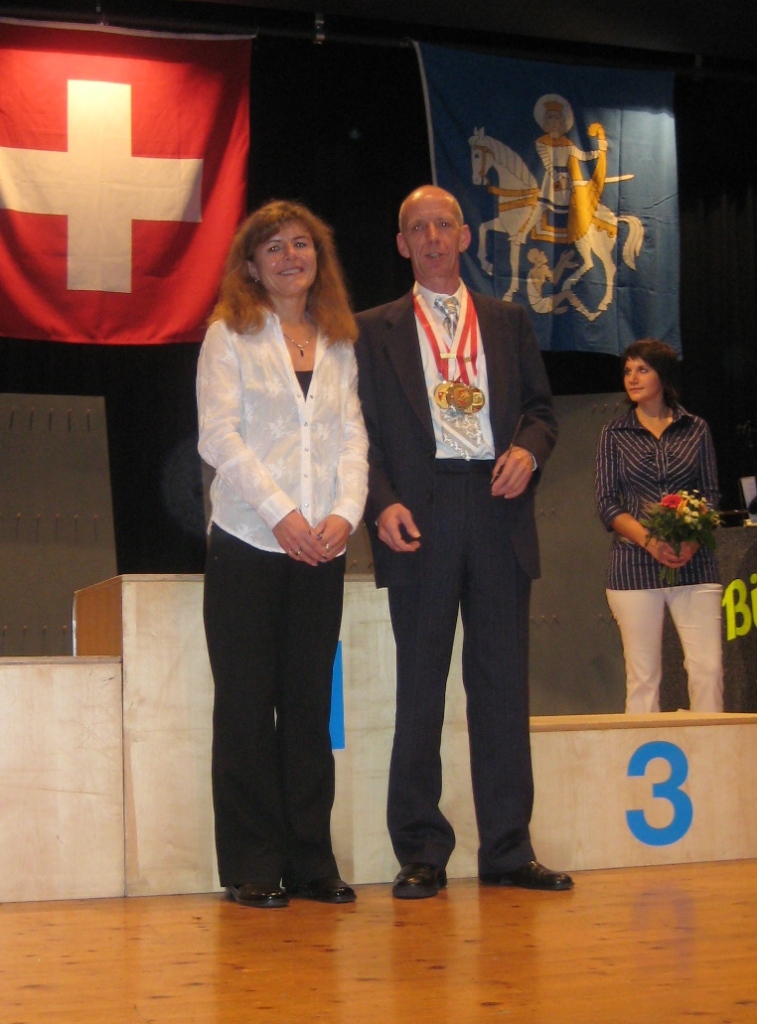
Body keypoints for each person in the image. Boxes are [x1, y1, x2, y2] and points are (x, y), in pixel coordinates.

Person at [355, 184, 573, 898]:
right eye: (417, 227)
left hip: (498, 508)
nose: (432, 237)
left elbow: (541, 412)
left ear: (464, 236)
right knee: (420, 689)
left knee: (502, 689)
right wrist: (381, 503)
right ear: (401, 244)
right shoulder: (371, 330)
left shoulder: (507, 321)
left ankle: (508, 849)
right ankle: (421, 850)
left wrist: (528, 451)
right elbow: (356, 433)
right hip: (417, 516)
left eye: (442, 224)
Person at [197, 200, 368, 909]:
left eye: (302, 244)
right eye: (274, 247)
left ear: (318, 259)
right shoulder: (228, 335)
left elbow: (353, 437)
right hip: (247, 544)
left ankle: (310, 862)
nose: (290, 256)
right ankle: (252, 865)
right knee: (245, 707)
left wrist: (344, 513)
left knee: (306, 708)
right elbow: (218, 437)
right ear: (251, 265)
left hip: (320, 550)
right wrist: (282, 515)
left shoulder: (338, 341)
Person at [596, 338, 723, 713]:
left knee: (708, 670)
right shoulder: (613, 434)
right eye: (628, 371)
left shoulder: (696, 428)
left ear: (663, 376)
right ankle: (642, 752)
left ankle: (708, 748)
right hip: (633, 567)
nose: (632, 378)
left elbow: (711, 495)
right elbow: (607, 504)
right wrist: (650, 541)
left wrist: (692, 541)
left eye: (643, 369)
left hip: (695, 565)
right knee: (643, 679)